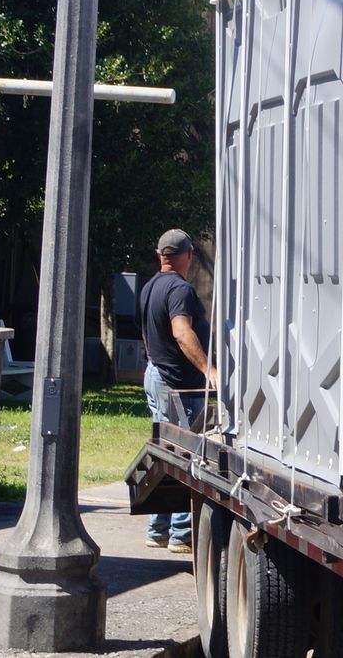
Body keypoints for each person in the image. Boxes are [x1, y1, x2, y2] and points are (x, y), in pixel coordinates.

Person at [139, 228, 210, 551]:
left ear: (160, 254)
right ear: (188, 256)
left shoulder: (150, 286)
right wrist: (209, 370)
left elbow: (146, 335)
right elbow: (181, 332)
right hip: (176, 384)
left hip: (155, 373)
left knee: (165, 452)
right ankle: (182, 533)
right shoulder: (180, 289)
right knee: (185, 454)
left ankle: (159, 528)